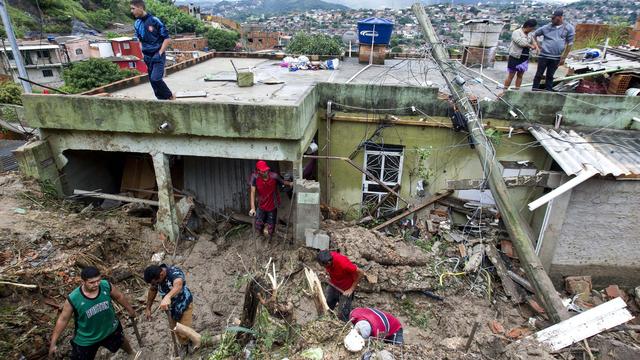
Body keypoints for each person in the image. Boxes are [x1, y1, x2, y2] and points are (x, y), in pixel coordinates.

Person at [48, 266, 136, 360]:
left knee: (121, 341)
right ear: (83, 282)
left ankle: (131, 353)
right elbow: (63, 319)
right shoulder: (74, 298)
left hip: (110, 328)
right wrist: (53, 343)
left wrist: (130, 310)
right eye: (92, 282)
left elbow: (119, 296)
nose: (96, 284)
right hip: (87, 339)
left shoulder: (105, 285)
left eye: (98, 280)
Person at [130, 0, 174, 100]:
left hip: (157, 54)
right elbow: (139, 40)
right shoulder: (137, 23)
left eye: (133, 8)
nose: (132, 11)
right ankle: (161, 100)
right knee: (152, 81)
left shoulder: (155, 20)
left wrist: (160, 52)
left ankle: (170, 96)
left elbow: (167, 38)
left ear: (140, 8)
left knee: (156, 79)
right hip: (147, 56)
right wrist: (142, 52)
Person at [143, 264, 194, 348]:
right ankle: (185, 345)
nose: (155, 284)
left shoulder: (174, 272)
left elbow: (178, 285)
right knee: (176, 329)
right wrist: (148, 308)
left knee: (184, 331)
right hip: (171, 310)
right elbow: (152, 290)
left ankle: (192, 344)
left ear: (161, 274)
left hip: (184, 305)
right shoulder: (156, 279)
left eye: (156, 282)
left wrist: (167, 296)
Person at [531, 9, 575, 91]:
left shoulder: (569, 28)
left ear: (560, 18)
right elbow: (534, 35)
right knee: (539, 74)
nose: (552, 20)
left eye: (554, 18)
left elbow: (570, 43)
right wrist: (537, 46)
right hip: (544, 55)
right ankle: (534, 90)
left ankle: (548, 91)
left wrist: (564, 57)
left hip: (556, 57)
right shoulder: (547, 27)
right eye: (552, 18)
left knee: (550, 76)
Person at [248, 160, 293, 240]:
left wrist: (290, 184)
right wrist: (253, 208)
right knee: (258, 224)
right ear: (258, 171)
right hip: (261, 203)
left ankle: (269, 239)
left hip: (273, 204)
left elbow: (282, 182)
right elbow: (252, 192)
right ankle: (259, 238)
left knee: (270, 226)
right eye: (263, 171)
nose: (265, 172)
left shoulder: (274, 176)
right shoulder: (254, 177)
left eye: (266, 170)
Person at [316, 250, 365, 321]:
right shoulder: (325, 257)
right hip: (334, 285)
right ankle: (327, 320)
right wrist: (326, 273)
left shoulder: (343, 263)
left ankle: (343, 325)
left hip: (346, 289)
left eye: (329, 262)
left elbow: (361, 273)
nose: (328, 264)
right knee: (327, 304)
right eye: (325, 265)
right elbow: (328, 267)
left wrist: (351, 289)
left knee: (343, 315)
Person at [501, 19, 538, 94]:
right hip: (515, 56)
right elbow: (521, 43)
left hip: (524, 57)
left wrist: (536, 46)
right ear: (528, 26)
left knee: (520, 75)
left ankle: (517, 91)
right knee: (511, 75)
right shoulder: (516, 32)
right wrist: (531, 46)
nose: (532, 30)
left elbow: (533, 40)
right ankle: (504, 92)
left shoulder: (529, 34)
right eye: (532, 28)